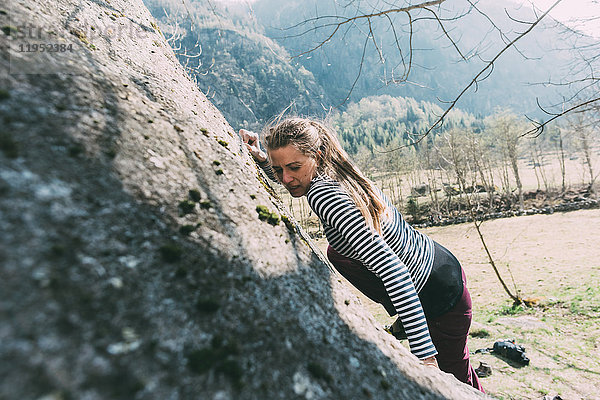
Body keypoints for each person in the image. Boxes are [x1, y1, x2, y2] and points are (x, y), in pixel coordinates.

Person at [239, 117, 484, 392]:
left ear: (317, 156)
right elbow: (293, 178)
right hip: (439, 262)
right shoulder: (336, 169)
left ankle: (419, 327)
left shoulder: (325, 196)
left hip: (440, 295)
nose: (285, 178)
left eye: (293, 167)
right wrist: (261, 159)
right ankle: (412, 320)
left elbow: (392, 270)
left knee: (456, 375)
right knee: (337, 251)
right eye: (278, 168)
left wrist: (425, 358)